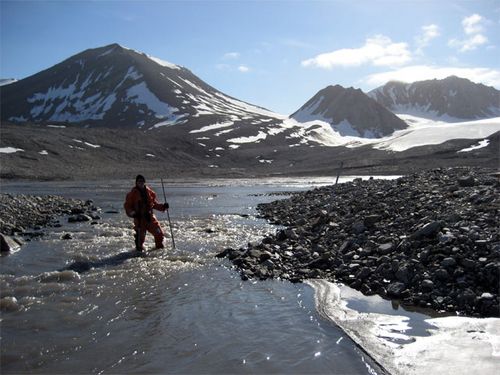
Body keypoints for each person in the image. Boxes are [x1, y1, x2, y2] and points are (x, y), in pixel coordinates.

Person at [124, 175, 169, 251]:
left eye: (142, 181)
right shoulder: (132, 194)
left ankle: (159, 250)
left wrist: (163, 207)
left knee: (159, 234)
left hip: (150, 217)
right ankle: (138, 253)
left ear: (144, 182)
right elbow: (128, 207)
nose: (140, 183)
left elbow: (154, 204)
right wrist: (133, 213)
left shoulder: (149, 192)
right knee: (140, 240)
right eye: (139, 181)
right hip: (139, 219)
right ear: (136, 183)